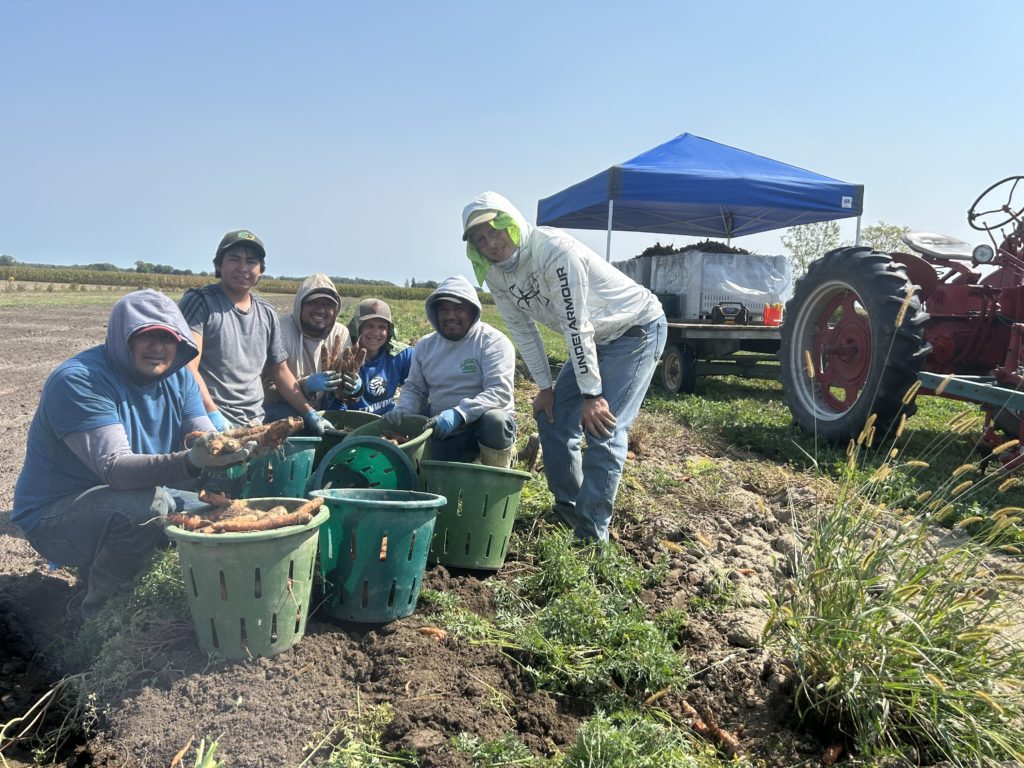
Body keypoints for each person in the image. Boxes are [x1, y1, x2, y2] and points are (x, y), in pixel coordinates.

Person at [11, 290, 254, 619]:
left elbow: (201, 435)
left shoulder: (179, 376)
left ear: (180, 343)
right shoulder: (80, 381)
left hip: (128, 495)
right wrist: (191, 461)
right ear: (121, 338)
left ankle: (174, 596)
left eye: (167, 338)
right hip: (56, 515)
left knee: (229, 517)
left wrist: (231, 444)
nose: (157, 346)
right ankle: (101, 618)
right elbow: (117, 469)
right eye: (145, 335)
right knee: (145, 508)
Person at [461, 191, 667, 541]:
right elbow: (522, 329)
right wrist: (545, 388)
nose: (490, 243)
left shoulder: (555, 251)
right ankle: (569, 510)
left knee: (602, 426)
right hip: (594, 339)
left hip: (634, 329)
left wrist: (592, 394)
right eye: (479, 240)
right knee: (550, 415)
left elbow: (577, 324)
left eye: (494, 231)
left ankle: (591, 536)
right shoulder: (497, 276)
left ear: (510, 222)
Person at [178, 229, 329, 434]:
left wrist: (309, 412)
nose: (243, 268)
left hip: (254, 422)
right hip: (208, 420)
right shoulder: (201, 302)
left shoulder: (266, 312)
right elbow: (187, 366)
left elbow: (280, 371)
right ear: (218, 265)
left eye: (251, 261)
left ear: (260, 270)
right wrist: (211, 413)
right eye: (234, 259)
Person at [384, 275, 517, 467]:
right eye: (443, 309)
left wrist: (459, 413)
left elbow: (500, 392)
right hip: (442, 429)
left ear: (473, 311)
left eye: (459, 308)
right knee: (413, 456)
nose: (450, 315)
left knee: (496, 421)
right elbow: (415, 389)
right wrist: (404, 409)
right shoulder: (425, 345)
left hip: (480, 429)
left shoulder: (492, 342)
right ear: (434, 313)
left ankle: (496, 473)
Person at [263, 273, 361, 421]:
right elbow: (266, 391)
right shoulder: (280, 331)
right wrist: (305, 386)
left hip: (326, 407)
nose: (320, 310)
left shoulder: (341, 333)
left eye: (328, 304)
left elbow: (344, 388)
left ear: (336, 309)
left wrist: (353, 387)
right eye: (313, 303)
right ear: (300, 305)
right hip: (286, 409)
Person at [327, 298, 413, 415]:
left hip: (388, 422)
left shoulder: (400, 355)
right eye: (369, 326)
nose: (376, 333)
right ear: (357, 327)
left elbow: (418, 387)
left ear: (389, 331)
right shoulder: (344, 358)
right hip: (353, 425)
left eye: (382, 327)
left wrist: (404, 408)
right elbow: (333, 407)